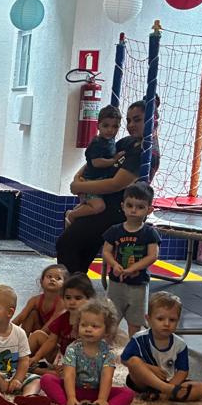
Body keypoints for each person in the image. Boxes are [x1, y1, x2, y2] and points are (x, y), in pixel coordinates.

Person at [57, 100, 145, 276]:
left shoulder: (144, 151)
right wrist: (77, 178)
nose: (131, 125)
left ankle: (75, 286)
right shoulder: (126, 142)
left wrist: (80, 185)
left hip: (118, 210)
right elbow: (95, 162)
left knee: (68, 243)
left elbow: (115, 184)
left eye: (137, 120)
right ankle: (77, 286)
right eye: (128, 120)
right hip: (103, 202)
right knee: (75, 245)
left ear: (152, 120)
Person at [40, 298, 133, 405]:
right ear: (77, 326)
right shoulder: (73, 349)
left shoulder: (108, 352)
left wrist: (102, 399)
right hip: (73, 389)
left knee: (128, 393)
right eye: (84, 325)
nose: (88, 329)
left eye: (95, 326)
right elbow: (69, 374)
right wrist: (71, 397)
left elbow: (107, 377)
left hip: (97, 392)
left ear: (106, 330)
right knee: (46, 379)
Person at [123, 291, 202, 402]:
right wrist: (150, 368)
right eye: (160, 319)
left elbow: (182, 371)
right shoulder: (139, 338)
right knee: (134, 361)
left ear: (178, 321)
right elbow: (124, 360)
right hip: (143, 382)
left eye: (172, 320)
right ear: (148, 319)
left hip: (170, 381)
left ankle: (160, 394)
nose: (166, 324)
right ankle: (166, 391)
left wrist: (172, 385)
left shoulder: (180, 345)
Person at [0, 285, 47, 405]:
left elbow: (24, 360)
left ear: (10, 312)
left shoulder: (19, 333)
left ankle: (28, 397)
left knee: (36, 379)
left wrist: (18, 379)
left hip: (12, 373)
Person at [101, 181, 161, 337]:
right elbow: (106, 251)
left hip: (138, 285)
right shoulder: (115, 230)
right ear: (123, 206)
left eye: (140, 207)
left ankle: (133, 347)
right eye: (130, 205)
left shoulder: (149, 233)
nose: (134, 210)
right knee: (111, 319)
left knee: (135, 323)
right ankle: (108, 347)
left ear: (149, 210)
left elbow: (153, 255)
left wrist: (133, 269)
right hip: (116, 283)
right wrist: (114, 264)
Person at [65, 104, 124, 225]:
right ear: (98, 126)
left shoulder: (110, 141)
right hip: (89, 181)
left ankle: (73, 213)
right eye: (106, 126)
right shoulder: (98, 143)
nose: (110, 130)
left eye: (115, 126)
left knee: (87, 205)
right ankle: (71, 215)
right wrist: (114, 160)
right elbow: (96, 163)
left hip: (96, 181)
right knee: (99, 206)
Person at [28, 272, 95, 368]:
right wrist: (36, 357)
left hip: (83, 361)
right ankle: (22, 360)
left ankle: (36, 369)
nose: (72, 302)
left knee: (58, 374)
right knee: (37, 335)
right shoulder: (63, 318)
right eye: (68, 298)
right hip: (61, 356)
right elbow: (51, 341)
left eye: (78, 298)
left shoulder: (91, 320)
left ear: (89, 299)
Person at [15, 263, 67, 337]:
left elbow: (52, 323)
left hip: (56, 335)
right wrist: (6, 329)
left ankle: (30, 342)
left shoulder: (62, 302)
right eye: (49, 276)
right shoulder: (35, 300)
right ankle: (23, 339)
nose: (52, 279)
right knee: (31, 314)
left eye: (58, 278)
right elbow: (21, 317)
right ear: (41, 281)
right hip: (40, 330)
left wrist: (36, 337)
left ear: (65, 285)